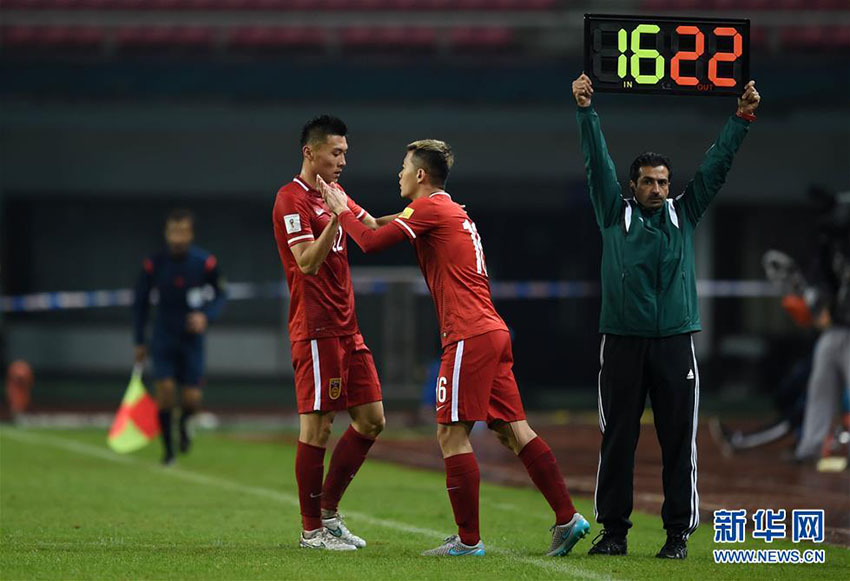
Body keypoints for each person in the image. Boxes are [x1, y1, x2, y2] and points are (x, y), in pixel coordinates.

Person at [317, 139, 589, 558]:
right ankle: (568, 517)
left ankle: (467, 541)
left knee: (449, 432)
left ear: (421, 175)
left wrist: (337, 210)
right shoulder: (449, 210)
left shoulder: (429, 209)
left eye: (405, 167)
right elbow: (372, 224)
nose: (400, 174)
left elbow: (368, 243)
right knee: (512, 430)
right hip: (491, 330)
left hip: (468, 335)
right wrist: (343, 201)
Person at [572, 73, 760, 559]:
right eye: (649, 182)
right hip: (622, 342)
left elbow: (717, 167)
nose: (657, 189)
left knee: (680, 442)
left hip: (675, 343)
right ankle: (614, 532)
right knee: (618, 441)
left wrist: (740, 118)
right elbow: (597, 164)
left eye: (663, 182)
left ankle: (677, 535)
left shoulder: (684, 213)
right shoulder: (614, 213)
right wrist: (586, 111)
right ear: (632, 185)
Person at [272, 115, 397, 551]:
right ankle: (311, 532)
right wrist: (336, 220)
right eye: (336, 152)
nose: (343, 160)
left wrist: (426, 212)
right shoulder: (292, 199)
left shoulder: (336, 194)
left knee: (372, 419)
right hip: (317, 328)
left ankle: (328, 513)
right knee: (318, 428)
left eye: (345, 152)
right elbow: (306, 261)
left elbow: (373, 228)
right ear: (310, 152)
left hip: (348, 328)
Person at [133, 209, 226, 465]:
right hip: (163, 336)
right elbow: (140, 303)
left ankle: (185, 424)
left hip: (191, 341)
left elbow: (221, 294)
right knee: (164, 393)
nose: (178, 237)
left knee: (192, 400)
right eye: (173, 231)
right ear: (166, 233)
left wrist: (206, 316)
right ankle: (169, 452)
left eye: (183, 231)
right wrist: (139, 340)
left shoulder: (204, 263)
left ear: (191, 233)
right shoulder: (154, 264)